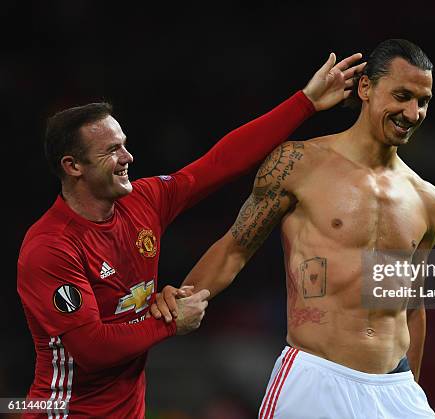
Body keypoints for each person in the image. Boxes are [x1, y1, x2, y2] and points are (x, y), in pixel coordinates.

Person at [16, 51, 365, 418]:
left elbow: (219, 163)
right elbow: (91, 349)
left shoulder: (145, 201)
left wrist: (305, 102)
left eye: (124, 144)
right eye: (111, 151)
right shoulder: (51, 248)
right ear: (72, 166)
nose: (128, 157)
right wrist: (168, 321)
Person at [154, 39, 435, 418]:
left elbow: (411, 305)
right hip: (316, 378)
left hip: (396, 386)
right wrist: (181, 303)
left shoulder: (428, 199)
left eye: (422, 101)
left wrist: (410, 392)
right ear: (366, 88)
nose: (413, 112)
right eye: (402, 95)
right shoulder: (299, 164)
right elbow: (234, 249)